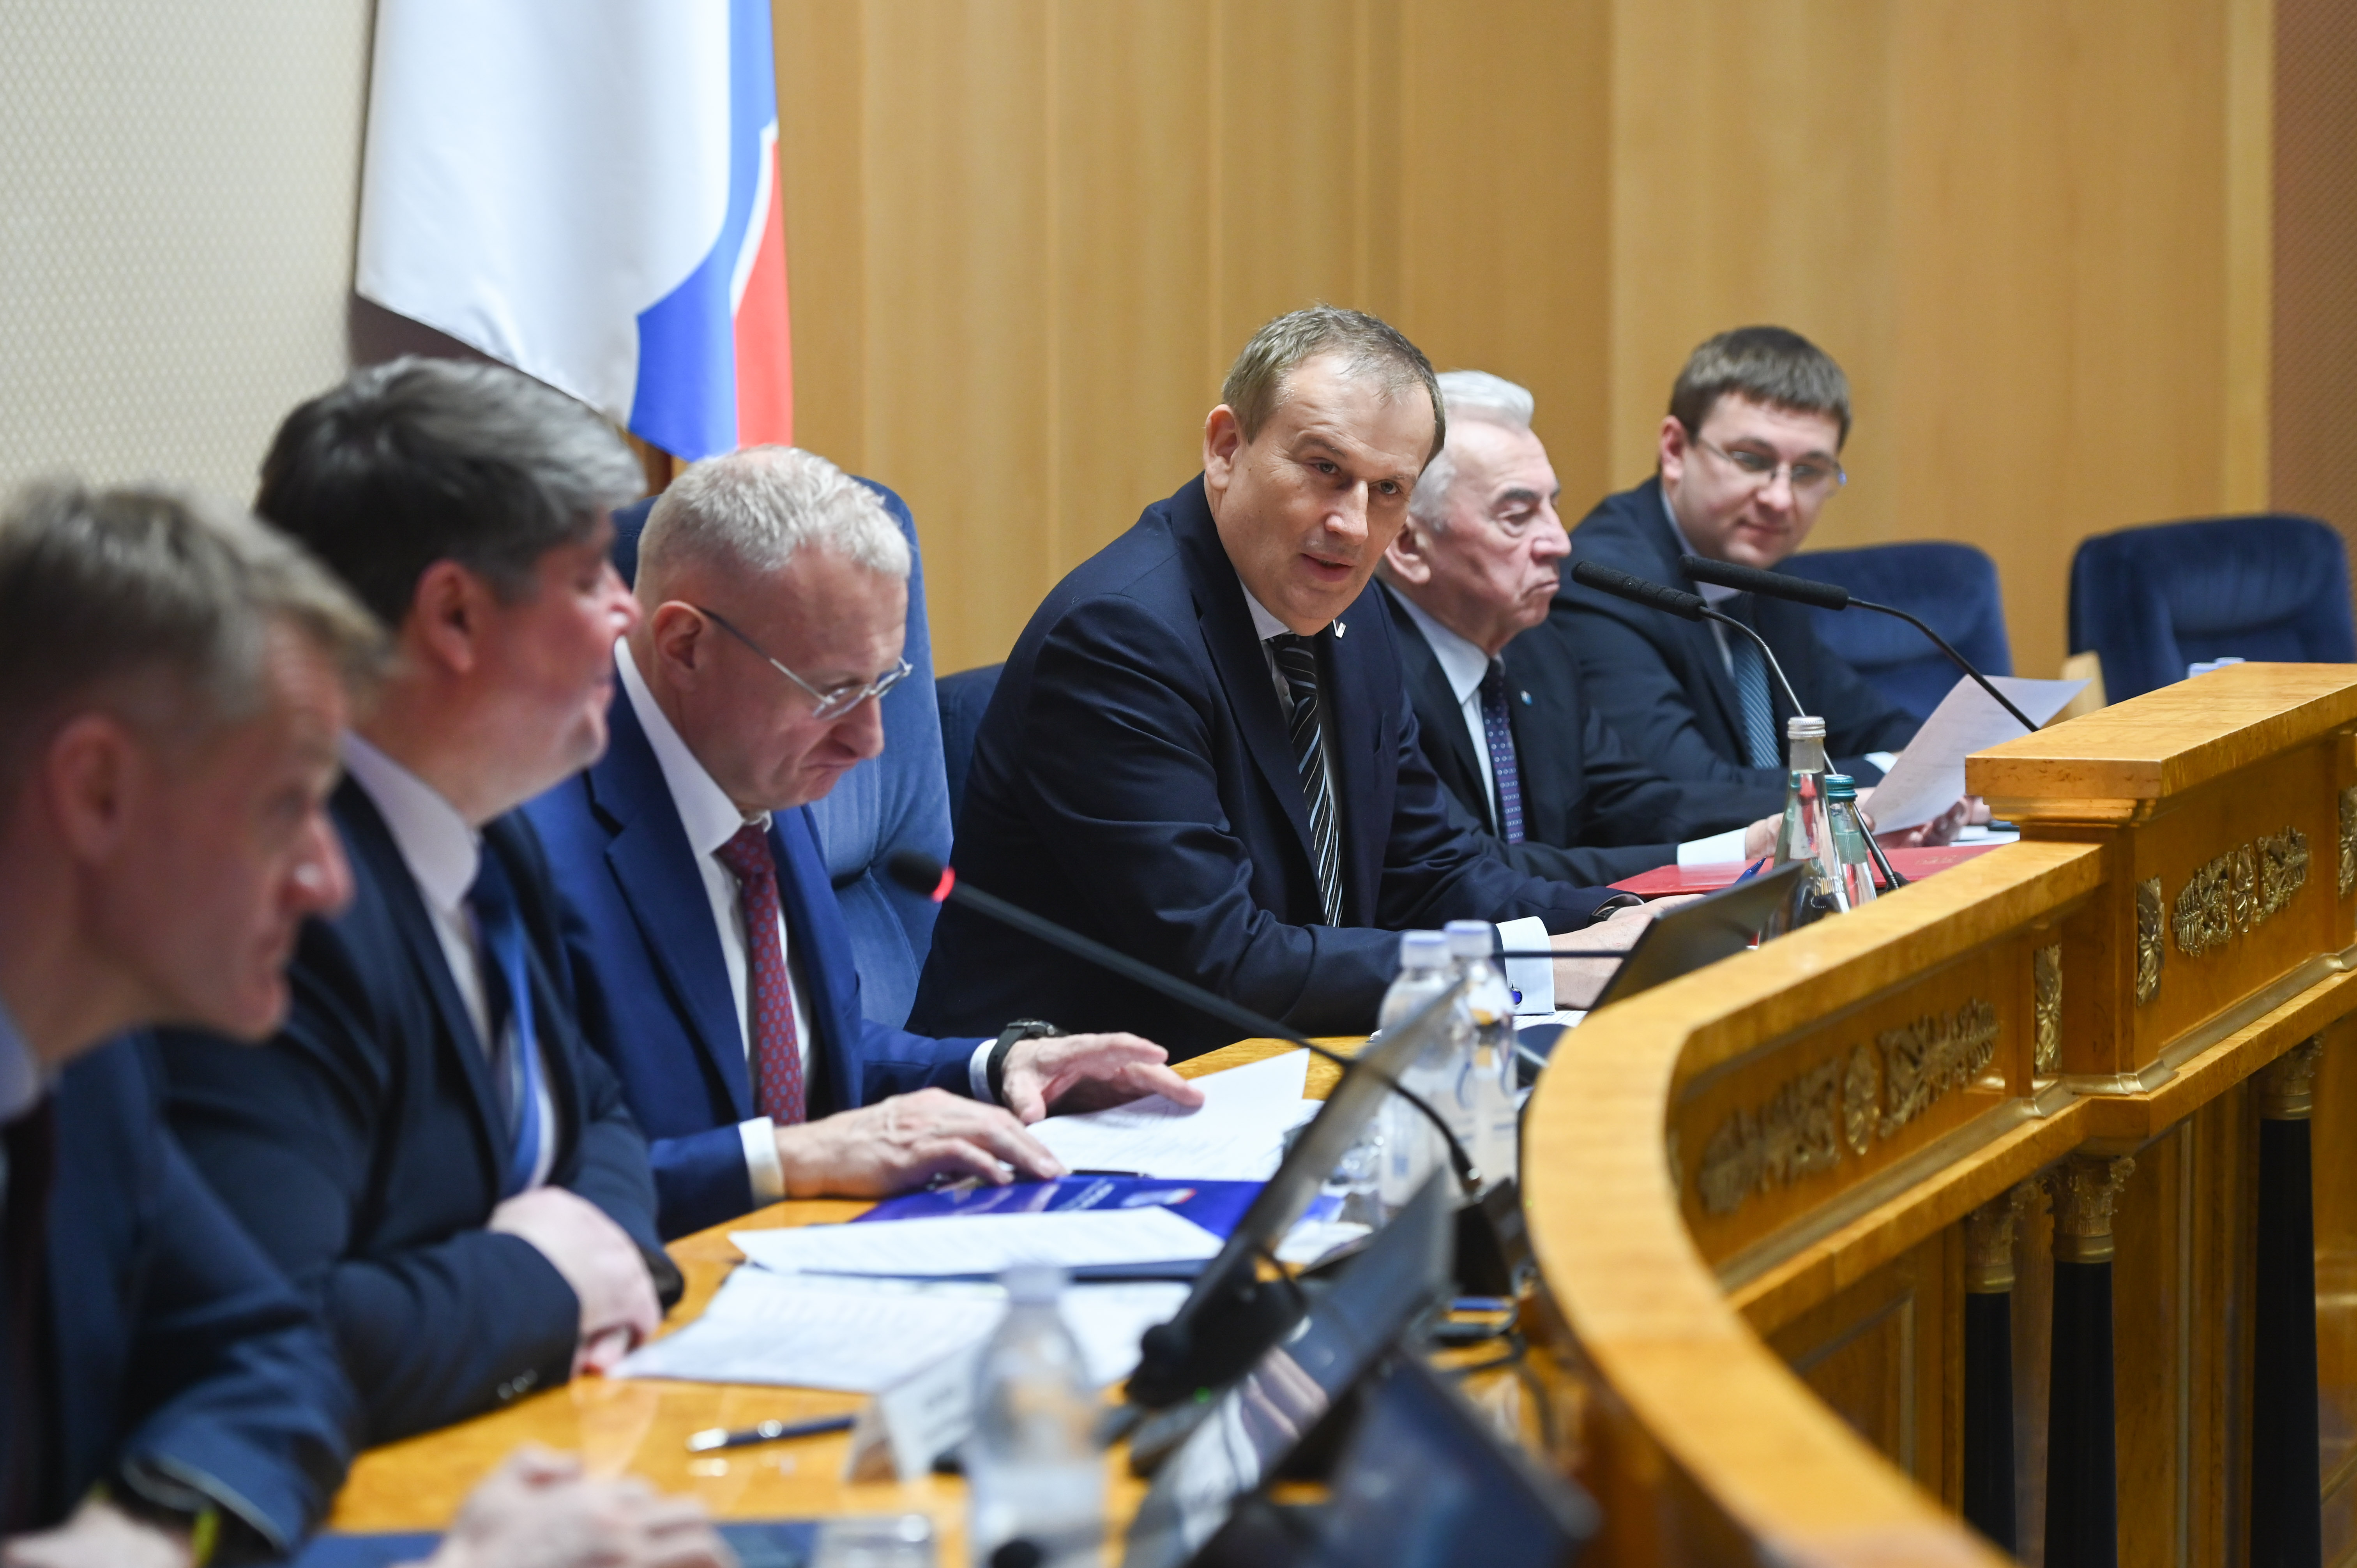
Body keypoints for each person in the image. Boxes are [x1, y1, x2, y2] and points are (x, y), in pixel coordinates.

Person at [0, 483, 725, 1568]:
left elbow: (274, 1353)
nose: (328, 879)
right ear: (97, 790)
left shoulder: (91, 1064)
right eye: (285, 805)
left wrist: (143, 1539)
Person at [154, 359, 673, 1447]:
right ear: (455, 614)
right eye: (591, 575)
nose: (629, 611)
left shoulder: (492, 832)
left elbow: (601, 1117)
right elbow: (277, 1331)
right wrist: (542, 1279)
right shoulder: (281, 899)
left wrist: (592, 1256)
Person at [910, 307, 1656, 1057]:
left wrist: (1615, 922)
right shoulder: (1119, 639)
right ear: (1226, 448)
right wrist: (1537, 967)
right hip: (1073, 1095)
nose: (1353, 525)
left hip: (1273, 1066)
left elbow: (1427, 868)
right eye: (1324, 469)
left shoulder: (1351, 609)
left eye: (1388, 489)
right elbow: (1222, 959)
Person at [525, 446, 1201, 1238]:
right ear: (684, 647)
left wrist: (995, 1066)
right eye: (833, 690)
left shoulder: (761, 760)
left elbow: (801, 1052)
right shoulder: (522, 836)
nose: (869, 740)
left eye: (882, 682)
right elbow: (530, 1187)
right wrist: (785, 1160)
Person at [1376, 371, 1785, 883]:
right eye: (1518, 515)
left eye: (1552, 506)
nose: (1560, 542)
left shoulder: (1535, 648)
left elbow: (1626, 802)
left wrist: (1783, 825)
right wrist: (1715, 861)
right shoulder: (1370, 675)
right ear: (1409, 545)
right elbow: (1474, 870)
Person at [1553, 326, 1926, 800]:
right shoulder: (1608, 583)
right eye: (1751, 460)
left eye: (1808, 471)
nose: (1780, 499)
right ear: (1674, 449)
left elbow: (1871, 727)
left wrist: (1938, 768)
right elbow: (1687, 789)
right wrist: (1896, 778)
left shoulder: (1763, 578)